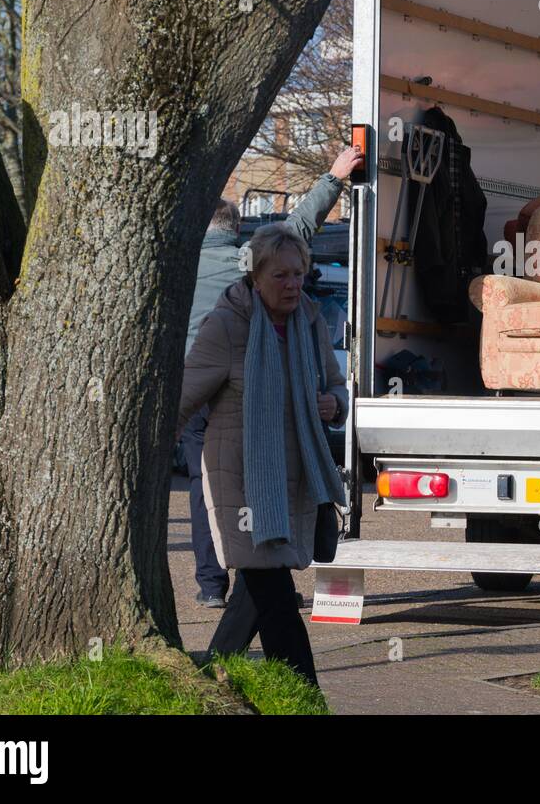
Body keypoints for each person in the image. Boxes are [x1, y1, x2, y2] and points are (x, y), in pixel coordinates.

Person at [181, 146, 362, 607]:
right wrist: (334, 177)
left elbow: (288, 244)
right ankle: (258, 580)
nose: (291, 282)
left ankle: (211, 584)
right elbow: (297, 227)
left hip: (200, 393)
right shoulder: (247, 263)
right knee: (259, 484)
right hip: (241, 394)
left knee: (210, 488)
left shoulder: (174, 266)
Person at [177, 223, 349, 689]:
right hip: (242, 475)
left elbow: (335, 385)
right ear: (256, 276)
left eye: (299, 274)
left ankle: (207, 681)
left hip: (294, 476)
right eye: (281, 276)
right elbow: (185, 397)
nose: (293, 284)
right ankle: (303, 693)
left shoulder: (310, 319)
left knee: (259, 584)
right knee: (270, 585)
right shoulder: (227, 324)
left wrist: (335, 404)